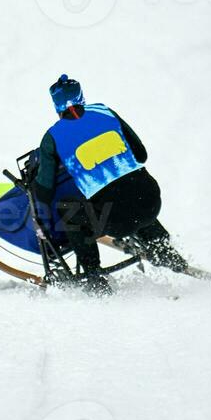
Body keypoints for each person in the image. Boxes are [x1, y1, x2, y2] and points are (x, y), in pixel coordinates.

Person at [31, 74, 190, 294]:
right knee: (133, 193)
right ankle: (163, 249)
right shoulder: (105, 111)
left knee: (70, 207)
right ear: (81, 97)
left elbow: (45, 193)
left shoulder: (52, 138)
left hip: (115, 220)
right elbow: (140, 155)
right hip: (152, 203)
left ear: (56, 106)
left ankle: (94, 276)